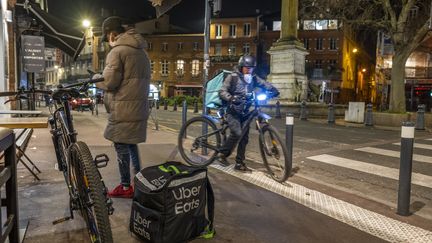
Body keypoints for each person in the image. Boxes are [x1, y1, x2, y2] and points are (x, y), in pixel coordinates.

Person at [94, 16, 151, 198]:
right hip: (137, 107)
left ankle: (126, 187)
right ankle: (139, 183)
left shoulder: (118, 51)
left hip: (123, 108)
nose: (108, 42)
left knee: (121, 146)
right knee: (131, 145)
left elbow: (110, 81)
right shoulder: (141, 51)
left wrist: (96, 79)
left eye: (107, 37)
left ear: (113, 34)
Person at [218, 54, 279, 172]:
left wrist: (273, 89)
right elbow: (222, 91)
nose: (249, 70)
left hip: (245, 111)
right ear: (241, 67)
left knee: (244, 138)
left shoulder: (253, 78)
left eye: (251, 68)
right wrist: (231, 98)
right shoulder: (233, 77)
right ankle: (222, 154)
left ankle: (239, 162)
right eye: (246, 68)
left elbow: (264, 84)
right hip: (233, 110)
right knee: (237, 133)